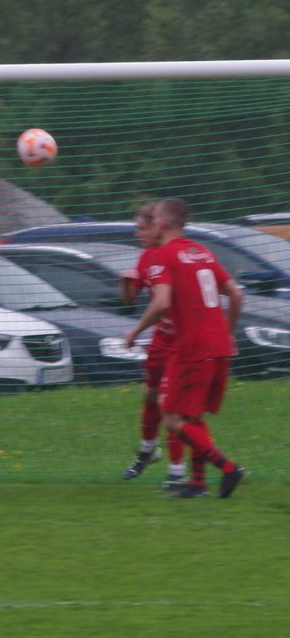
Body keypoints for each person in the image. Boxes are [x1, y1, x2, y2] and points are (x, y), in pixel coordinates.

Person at [124, 198, 247, 499]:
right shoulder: (201, 251)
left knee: (171, 416)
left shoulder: (164, 255)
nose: (149, 225)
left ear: (163, 223)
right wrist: (227, 334)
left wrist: (135, 331)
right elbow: (236, 294)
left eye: (153, 219)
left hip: (192, 346)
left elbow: (162, 302)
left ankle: (228, 468)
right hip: (219, 345)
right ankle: (197, 484)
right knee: (192, 417)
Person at [119, 202, 186, 489]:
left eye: (142, 228)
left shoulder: (176, 254)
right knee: (150, 395)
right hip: (161, 340)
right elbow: (128, 300)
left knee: (170, 406)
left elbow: (163, 303)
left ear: (158, 226)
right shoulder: (146, 257)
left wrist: (135, 330)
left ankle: (178, 472)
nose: (138, 234)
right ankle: (148, 450)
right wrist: (126, 282)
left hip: (183, 342)